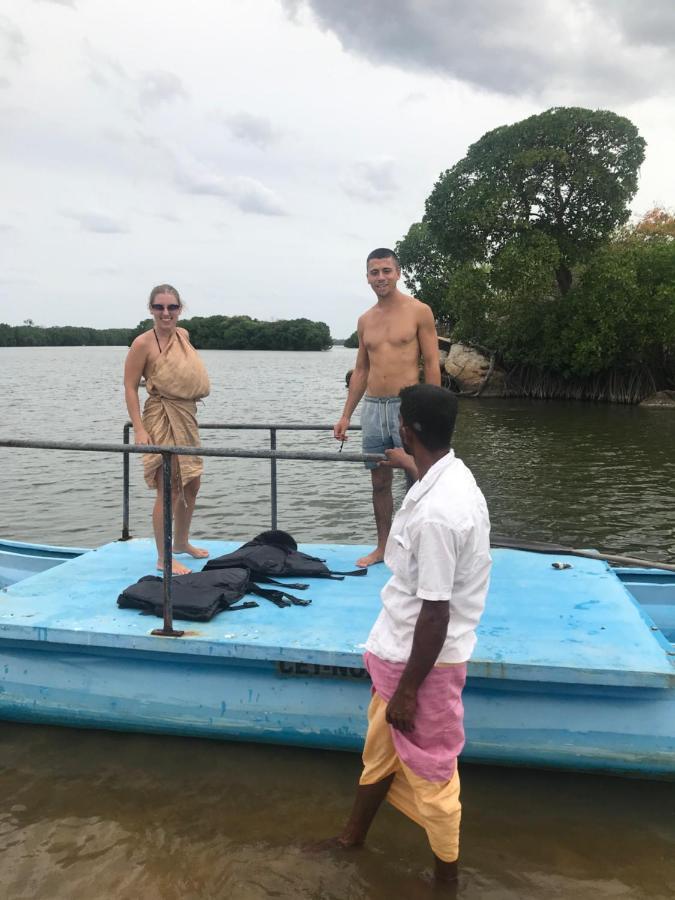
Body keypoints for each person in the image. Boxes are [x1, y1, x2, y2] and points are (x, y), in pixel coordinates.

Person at [323, 384, 492, 888]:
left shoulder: (440, 515)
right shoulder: (450, 477)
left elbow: (436, 612)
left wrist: (410, 690)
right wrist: (408, 466)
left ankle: (447, 879)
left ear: (406, 428)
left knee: (435, 777)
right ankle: (352, 838)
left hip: (421, 667)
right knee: (379, 752)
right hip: (399, 653)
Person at [333, 248, 440, 567]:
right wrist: (345, 414)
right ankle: (383, 548)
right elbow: (361, 371)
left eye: (386, 271)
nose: (380, 277)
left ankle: (420, 552)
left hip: (408, 406)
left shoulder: (419, 311)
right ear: (367, 277)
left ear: (398, 273)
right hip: (373, 407)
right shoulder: (365, 319)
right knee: (379, 482)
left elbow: (433, 363)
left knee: (419, 478)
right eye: (374, 272)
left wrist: (433, 412)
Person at [124, 284, 211, 575]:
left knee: (192, 483)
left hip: (186, 415)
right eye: (159, 307)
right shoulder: (142, 344)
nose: (165, 313)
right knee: (169, 487)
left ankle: (181, 542)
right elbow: (129, 386)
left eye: (172, 307)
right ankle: (163, 558)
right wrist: (138, 428)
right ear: (151, 309)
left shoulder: (183, 336)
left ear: (179, 309)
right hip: (161, 415)